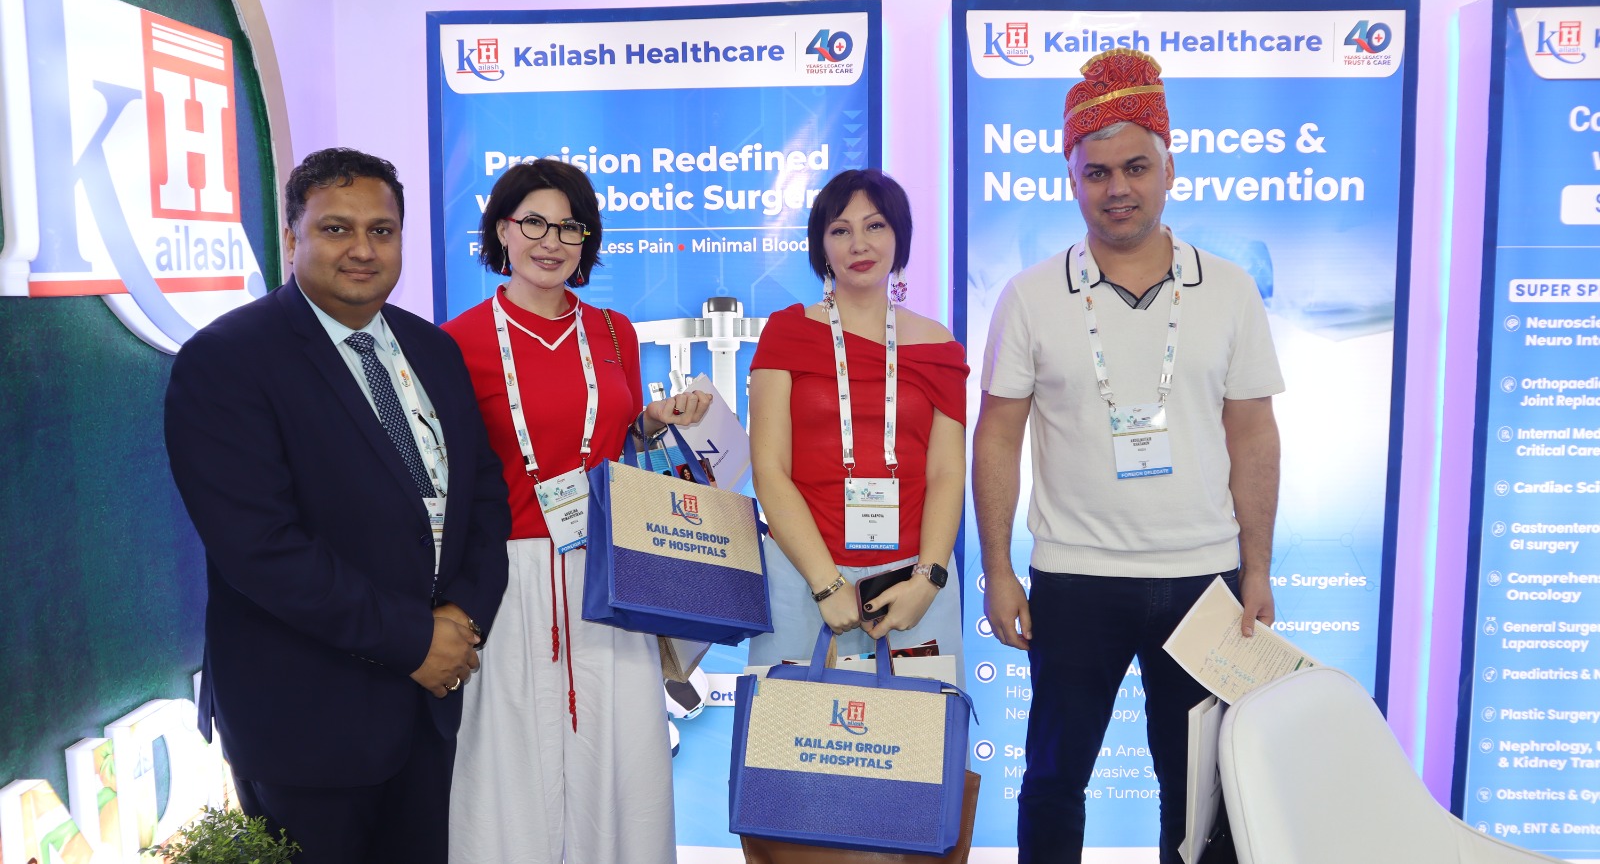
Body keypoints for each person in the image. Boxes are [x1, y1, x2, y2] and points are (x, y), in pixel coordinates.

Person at [972, 48, 1284, 864]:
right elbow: (997, 433)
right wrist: (999, 570)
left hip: (1203, 577)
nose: (1118, 188)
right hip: (1074, 578)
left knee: (1201, 792)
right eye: (1097, 172)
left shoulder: (1229, 289)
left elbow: (1253, 432)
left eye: (1136, 167)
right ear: (1072, 181)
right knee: (1053, 780)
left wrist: (1256, 568)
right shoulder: (1030, 296)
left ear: (1169, 168)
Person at [164, 148, 512, 864]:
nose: (362, 249)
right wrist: (416, 640)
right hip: (307, 723)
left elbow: (482, 495)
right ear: (292, 236)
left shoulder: (432, 348)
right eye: (336, 228)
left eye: (382, 231)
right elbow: (261, 549)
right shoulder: (227, 360)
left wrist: (463, 617)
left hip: (428, 711)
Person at [442, 159, 710, 864]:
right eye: (534, 222)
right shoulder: (456, 342)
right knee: (507, 768)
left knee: (620, 764)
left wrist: (651, 422)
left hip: (609, 573)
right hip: (508, 577)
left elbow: (614, 444)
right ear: (502, 230)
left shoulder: (616, 332)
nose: (551, 241)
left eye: (570, 227)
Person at [747, 169, 968, 677]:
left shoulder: (938, 346)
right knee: (794, 729)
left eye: (875, 226)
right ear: (821, 245)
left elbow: (947, 473)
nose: (859, 244)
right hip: (801, 578)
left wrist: (928, 580)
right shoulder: (787, 333)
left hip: (911, 583)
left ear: (899, 235)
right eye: (840, 230)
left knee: (916, 728)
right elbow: (769, 469)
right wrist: (826, 584)